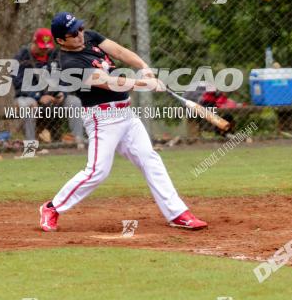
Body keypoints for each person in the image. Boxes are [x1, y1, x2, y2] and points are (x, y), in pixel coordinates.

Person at [38, 12, 207, 232]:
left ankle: (177, 213)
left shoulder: (89, 37)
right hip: (103, 119)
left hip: (126, 114)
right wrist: (144, 85)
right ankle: (52, 207)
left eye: (79, 28)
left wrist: (145, 68)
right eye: (73, 33)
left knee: (150, 159)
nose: (80, 34)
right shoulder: (70, 64)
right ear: (61, 40)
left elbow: (119, 51)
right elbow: (109, 82)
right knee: (98, 171)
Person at [12, 27, 85, 148]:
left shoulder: (55, 55)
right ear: (34, 42)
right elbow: (18, 84)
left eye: (47, 46)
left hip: (53, 98)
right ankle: (30, 147)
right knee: (28, 106)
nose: (45, 49)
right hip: (28, 98)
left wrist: (62, 92)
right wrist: (38, 96)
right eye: (42, 46)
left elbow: (66, 77)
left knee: (75, 102)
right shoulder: (21, 57)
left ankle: (79, 143)